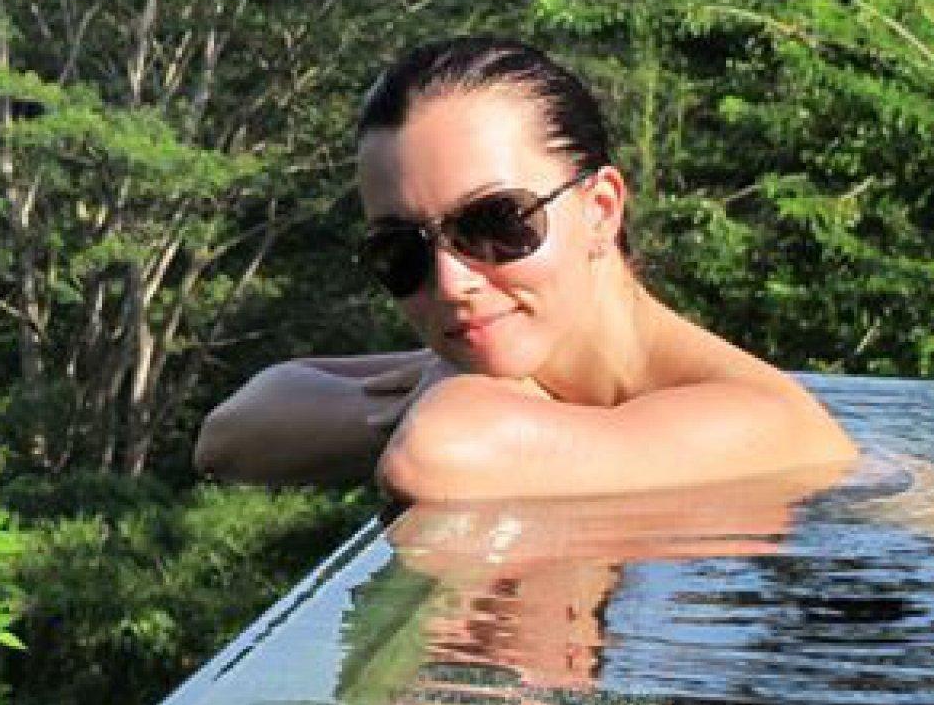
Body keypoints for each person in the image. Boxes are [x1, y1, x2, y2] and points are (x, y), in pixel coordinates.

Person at [193, 38, 857, 500]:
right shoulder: (519, 364)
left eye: (496, 223)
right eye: (401, 251)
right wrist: (451, 384)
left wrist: (455, 390)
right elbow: (231, 432)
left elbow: (436, 454)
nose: (452, 283)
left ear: (600, 210)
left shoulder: (757, 418)